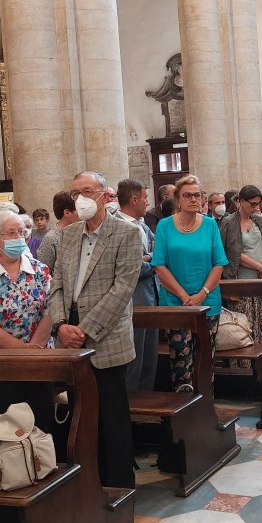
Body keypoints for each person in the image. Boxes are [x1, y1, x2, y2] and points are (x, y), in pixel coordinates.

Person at [48, 171, 141, 489]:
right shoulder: (69, 234)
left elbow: (123, 288)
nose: (81, 198)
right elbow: (57, 284)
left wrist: (85, 329)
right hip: (70, 333)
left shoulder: (127, 232)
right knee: (81, 414)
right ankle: (88, 482)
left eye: (87, 191)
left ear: (104, 195)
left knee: (112, 417)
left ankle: (119, 486)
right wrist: (60, 325)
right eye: (75, 193)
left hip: (106, 335)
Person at [0, 210, 56, 441]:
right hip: (0, 363)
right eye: (12, 233)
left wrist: (34, 350)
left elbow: (51, 310)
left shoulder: (40, 270)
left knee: (43, 421)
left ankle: (43, 461)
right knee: (9, 427)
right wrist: (22, 351)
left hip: (39, 359)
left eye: (22, 232)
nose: (19, 238)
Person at [151, 175, 228, 393]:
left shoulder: (210, 225)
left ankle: (206, 405)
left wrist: (202, 294)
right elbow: (159, 266)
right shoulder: (165, 226)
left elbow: (219, 264)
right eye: (187, 195)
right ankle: (184, 406)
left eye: (197, 195)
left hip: (208, 301)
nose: (193, 199)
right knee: (181, 361)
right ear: (177, 199)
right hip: (176, 302)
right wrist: (185, 297)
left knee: (206, 358)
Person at [115, 178, 159, 392]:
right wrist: (153, 261)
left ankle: (148, 402)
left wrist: (149, 257)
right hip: (133, 299)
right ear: (134, 200)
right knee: (135, 360)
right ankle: (132, 404)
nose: (147, 203)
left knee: (150, 358)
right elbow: (133, 268)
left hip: (151, 296)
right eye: (145, 198)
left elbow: (160, 252)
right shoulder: (118, 226)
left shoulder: (142, 225)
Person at [220, 185, 262, 349]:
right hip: (240, 282)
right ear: (241, 201)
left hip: (261, 281)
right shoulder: (228, 222)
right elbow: (231, 252)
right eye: (252, 204)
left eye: (258, 204)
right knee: (243, 329)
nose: (256, 207)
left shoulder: (260, 221)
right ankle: (243, 363)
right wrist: (259, 267)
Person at [36, 190, 80, 274]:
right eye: (78, 209)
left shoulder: (81, 233)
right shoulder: (51, 239)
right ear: (67, 213)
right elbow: (43, 274)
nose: (81, 214)